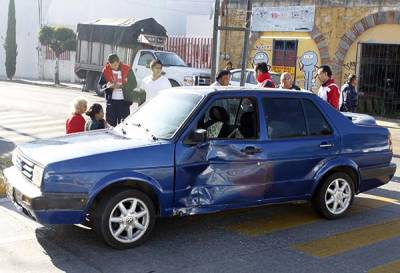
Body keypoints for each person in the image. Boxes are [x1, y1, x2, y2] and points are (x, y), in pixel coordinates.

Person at [99, 53, 137, 127]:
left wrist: (123, 86)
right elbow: (101, 86)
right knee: (110, 126)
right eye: (112, 65)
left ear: (119, 61)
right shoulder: (105, 70)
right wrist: (107, 85)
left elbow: (134, 84)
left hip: (124, 102)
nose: (115, 67)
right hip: (111, 103)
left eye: (116, 65)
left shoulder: (127, 69)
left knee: (124, 126)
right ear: (109, 63)